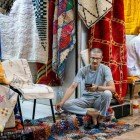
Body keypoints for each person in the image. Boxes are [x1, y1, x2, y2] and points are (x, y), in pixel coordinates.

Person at [55, 48, 116, 125]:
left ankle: (102, 116)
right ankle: (90, 113)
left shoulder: (105, 69)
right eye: (93, 58)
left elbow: (112, 88)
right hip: (85, 99)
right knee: (65, 105)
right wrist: (62, 102)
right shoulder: (83, 70)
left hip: (98, 100)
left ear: (101, 59)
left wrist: (97, 87)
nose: (94, 61)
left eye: (97, 59)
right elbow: (72, 86)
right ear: (89, 57)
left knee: (107, 93)